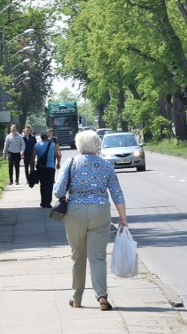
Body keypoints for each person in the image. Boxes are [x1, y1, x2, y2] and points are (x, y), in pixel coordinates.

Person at [53, 130, 128, 311]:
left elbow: (58, 191)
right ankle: (102, 296)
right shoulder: (106, 165)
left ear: (79, 145)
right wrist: (123, 219)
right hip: (101, 212)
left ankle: (76, 298)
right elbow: (117, 193)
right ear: (97, 145)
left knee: (78, 256)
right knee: (98, 257)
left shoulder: (70, 163)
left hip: (76, 212)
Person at [35, 133, 57, 207]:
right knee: (49, 185)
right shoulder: (53, 145)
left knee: (42, 185)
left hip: (41, 167)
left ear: (41, 137)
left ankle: (43, 202)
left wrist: (31, 168)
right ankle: (48, 202)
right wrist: (58, 163)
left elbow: (32, 158)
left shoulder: (37, 145)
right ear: (47, 137)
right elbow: (58, 155)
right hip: (50, 167)